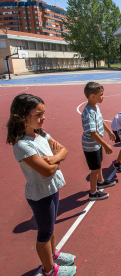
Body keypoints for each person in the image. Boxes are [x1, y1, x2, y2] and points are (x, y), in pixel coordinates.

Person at [7, 94, 77, 276]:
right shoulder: (22, 145)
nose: (43, 118)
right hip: (40, 194)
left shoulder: (42, 134)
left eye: (43, 114)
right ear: (23, 116)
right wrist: (56, 161)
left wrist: (54, 159)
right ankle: (49, 270)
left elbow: (64, 150)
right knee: (45, 232)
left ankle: (53, 254)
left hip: (51, 188)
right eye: (38, 115)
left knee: (51, 226)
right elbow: (45, 171)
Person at [81, 82, 116, 201]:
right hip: (91, 145)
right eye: (101, 94)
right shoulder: (89, 113)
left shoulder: (96, 107)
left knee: (98, 164)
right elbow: (92, 132)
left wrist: (109, 132)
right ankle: (93, 192)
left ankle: (101, 182)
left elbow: (101, 121)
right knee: (94, 169)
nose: (103, 96)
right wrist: (105, 144)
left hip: (96, 144)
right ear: (92, 96)